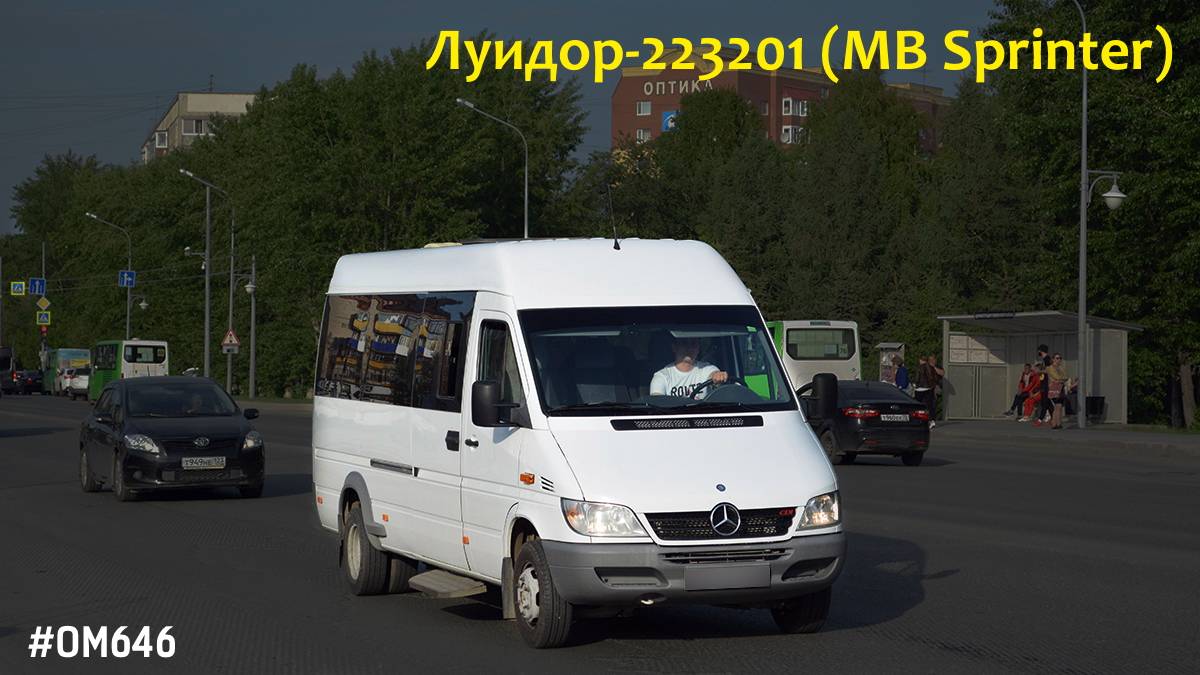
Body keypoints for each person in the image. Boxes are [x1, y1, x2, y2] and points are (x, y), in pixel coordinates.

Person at [649, 337, 728, 399]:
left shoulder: (707, 368)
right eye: (684, 343)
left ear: (698, 348)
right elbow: (657, 404)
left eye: (693, 344)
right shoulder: (662, 376)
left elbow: (713, 375)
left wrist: (718, 376)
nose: (689, 348)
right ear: (674, 347)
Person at [1039, 353, 1070, 429]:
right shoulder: (1050, 368)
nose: (1059, 360)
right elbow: (1056, 377)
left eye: (1060, 358)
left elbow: (1066, 376)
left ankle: (1058, 423)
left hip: (1061, 388)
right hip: (1054, 388)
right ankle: (1054, 423)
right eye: (1057, 358)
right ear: (1053, 359)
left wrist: (1060, 380)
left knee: (1059, 406)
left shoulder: (1061, 368)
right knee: (1056, 405)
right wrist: (1060, 379)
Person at [1036, 344, 1053, 423]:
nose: (1038, 352)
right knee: (1047, 401)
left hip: (1046, 383)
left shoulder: (1047, 359)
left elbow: (1049, 370)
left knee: (1045, 401)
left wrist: (1039, 371)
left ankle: (1040, 419)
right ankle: (1053, 417)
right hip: (1043, 382)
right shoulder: (1044, 360)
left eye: (1039, 351)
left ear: (1041, 351)